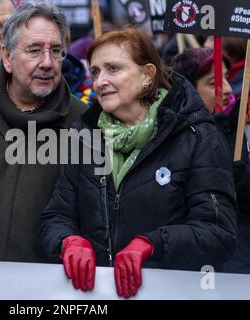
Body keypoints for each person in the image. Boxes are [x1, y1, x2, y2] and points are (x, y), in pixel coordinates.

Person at [40, 27, 237, 298]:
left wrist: (151, 244)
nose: (100, 81)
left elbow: (218, 232)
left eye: (113, 69)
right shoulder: (85, 136)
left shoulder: (197, 136)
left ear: (147, 76)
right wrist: (67, 241)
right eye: (96, 71)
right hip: (97, 295)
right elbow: (57, 215)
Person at [0, 3, 87, 262]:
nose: (47, 63)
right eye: (34, 50)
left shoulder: (84, 124)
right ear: (7, 57)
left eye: (55, 51)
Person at [171, 47, 250, 274]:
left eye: (226, 77)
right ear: (187, 90)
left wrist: (247, 190)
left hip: (242, 272)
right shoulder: (167, 138)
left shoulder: (245, 134)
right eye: (213, 83)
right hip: (183, 275)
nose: (227, 89)